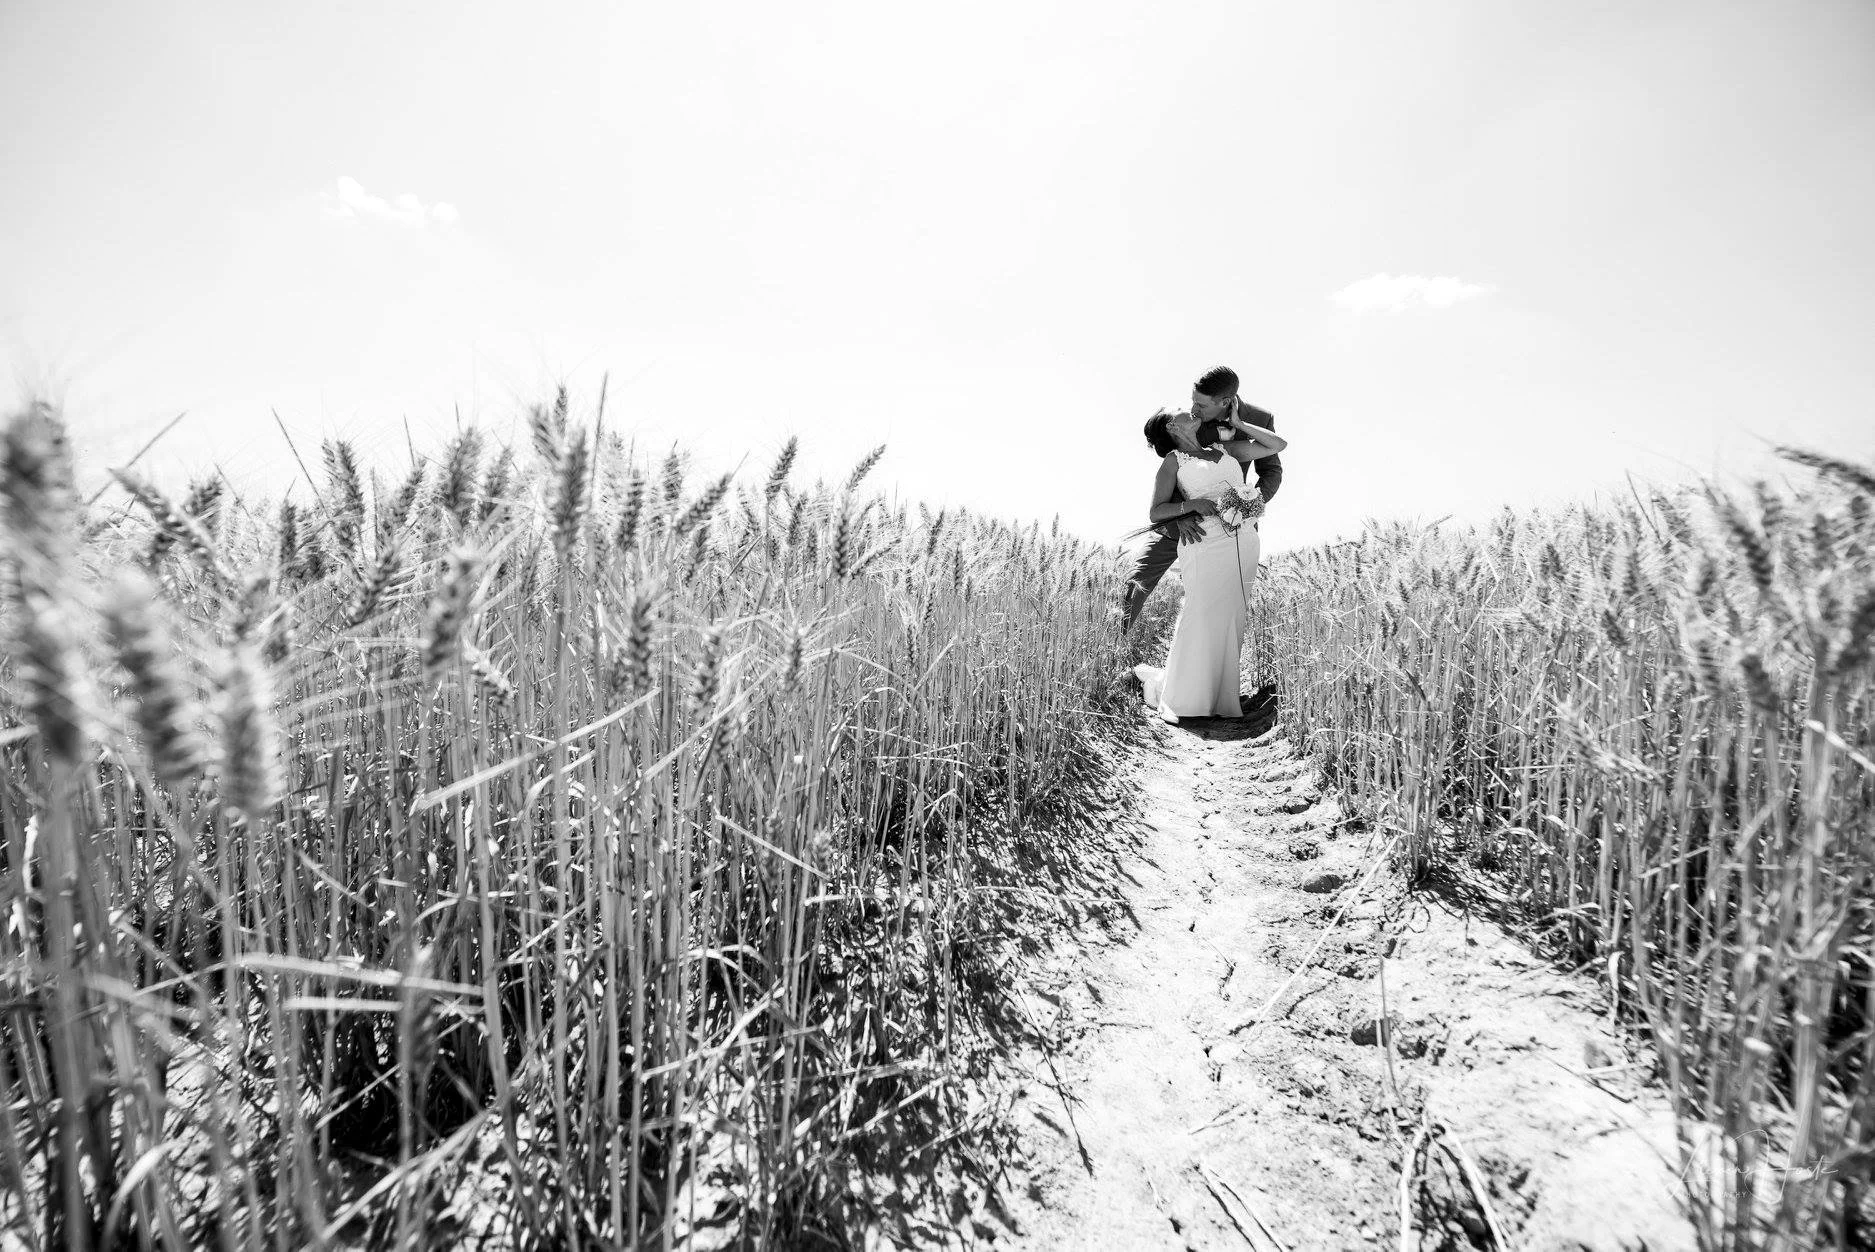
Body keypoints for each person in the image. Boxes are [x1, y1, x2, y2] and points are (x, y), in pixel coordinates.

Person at [1130, 399, 1287, 723]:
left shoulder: (1223, 449)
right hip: (1203, 542)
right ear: (1172, 427)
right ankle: (1182, 697)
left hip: (1242, 539)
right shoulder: (1173, 461)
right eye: (1180, 410)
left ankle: (1219, 698)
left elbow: (1277, 445)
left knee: (1231, 616)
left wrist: (1238, 423)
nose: (1188, 409)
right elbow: (1156, 511)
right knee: (1199, 612)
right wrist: (1191, 505)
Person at [1120, 366, 1283, 633]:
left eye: (1201, 405)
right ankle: (1113, 641)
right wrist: (1182, 514)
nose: (1194, 409)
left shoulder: (1259, 419)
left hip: (1234, 525)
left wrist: (1247, 507)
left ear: (1225, 402)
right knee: (1137, 583)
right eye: (1193, 401)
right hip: (1184, 524)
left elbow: (1271, 471)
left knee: (1228, 600)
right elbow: (1175, 468)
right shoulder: (1188, 420)